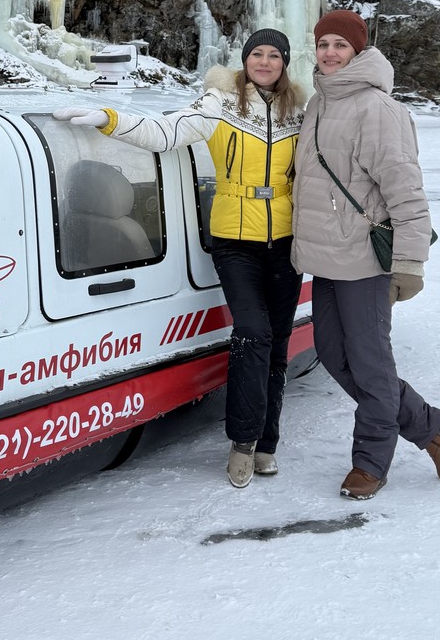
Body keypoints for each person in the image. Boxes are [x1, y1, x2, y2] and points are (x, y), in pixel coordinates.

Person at [56, 29, 305, 489]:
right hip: (235, 239)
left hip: (289, 241)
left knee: (278, 346)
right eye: (257, 54)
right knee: (252, 334)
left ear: (285, 63)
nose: (265, 62)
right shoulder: (220, 103)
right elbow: (165, 132)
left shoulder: (300, 111)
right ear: (245, 60)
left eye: (274, 55)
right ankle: (243, 442)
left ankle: (268, 441)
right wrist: (108, 118)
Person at [291, 8, 440, 500]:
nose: (330, 53)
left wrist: (409, 263)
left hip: (365, 260)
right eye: (323, 45)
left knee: (369, 363)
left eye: (341, 45)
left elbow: (405, 190)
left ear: (358, 51)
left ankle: (371, 461)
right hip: (326, 259)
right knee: (333, 354)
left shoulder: (379, 109)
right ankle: (430, 424)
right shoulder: (320, 102)